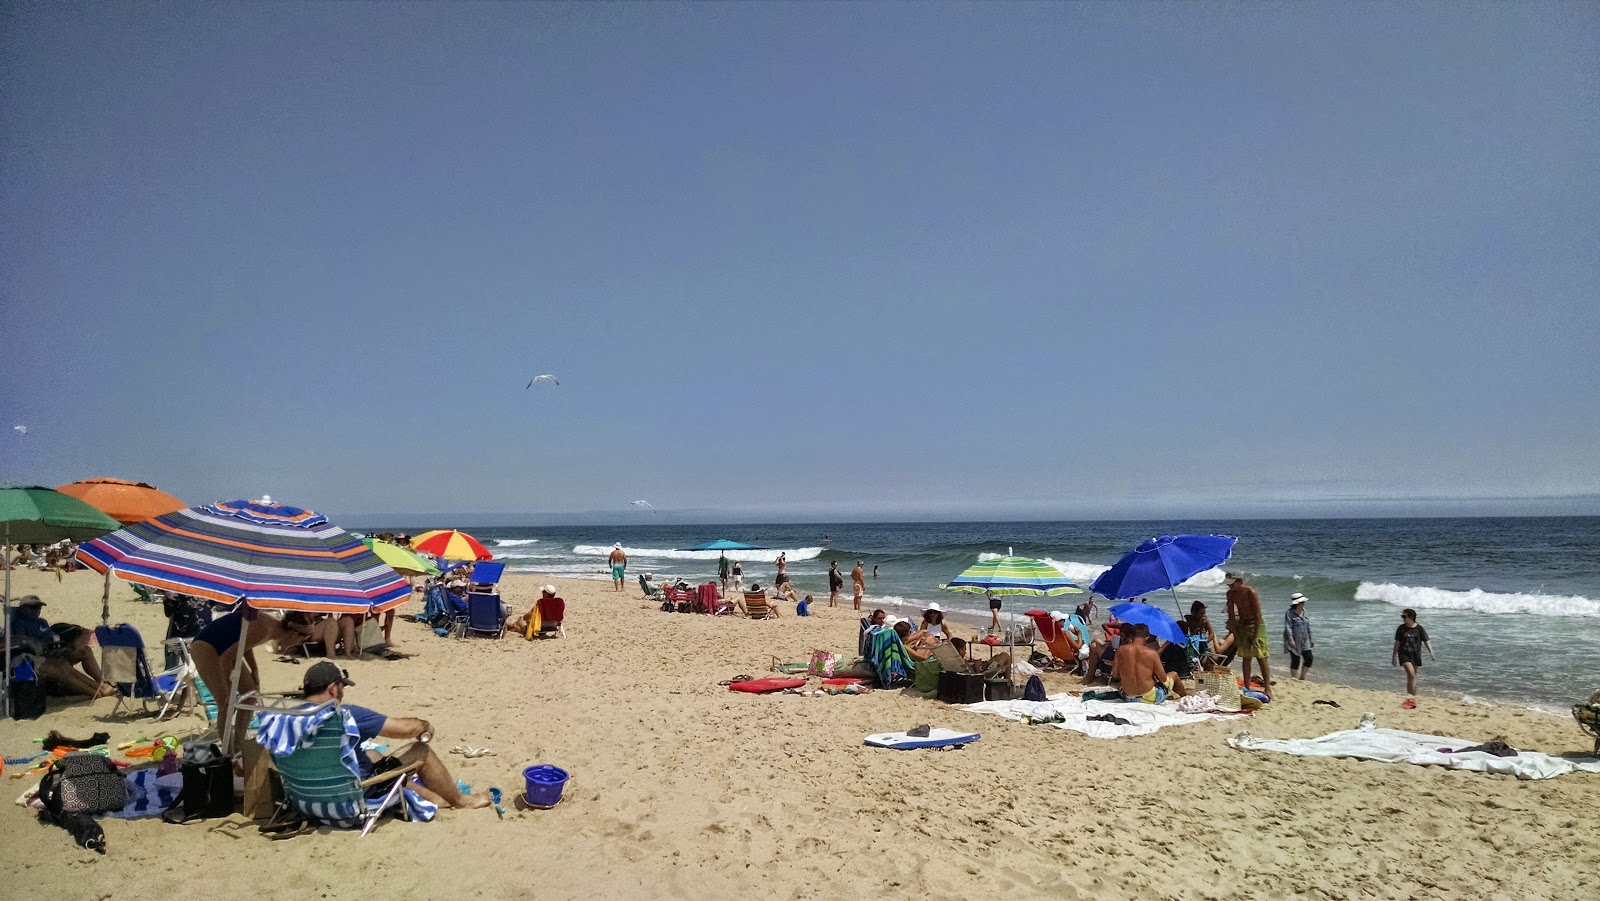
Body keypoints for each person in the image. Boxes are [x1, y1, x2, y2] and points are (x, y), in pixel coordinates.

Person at [297, 662, 489, 810]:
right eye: (342, 688)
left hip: (308, 795)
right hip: (351, 794)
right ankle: (461, 801)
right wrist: (425, 726)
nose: (343, 694)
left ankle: (434, 799)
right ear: (333, 689)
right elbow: (405, 729)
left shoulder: (287, 719)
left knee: (372, 754)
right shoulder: (345, 715)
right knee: (421, 751)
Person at [191, 609, 314, 748]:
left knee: (250, 694)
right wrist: (229, 686)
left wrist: (254, 668)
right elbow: (226, 658)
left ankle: (238, 744)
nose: (298, 645)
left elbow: (244, 643)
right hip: (206, 646)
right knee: (226, 702)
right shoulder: (266, 629)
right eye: (301, 641)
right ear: (294, 634)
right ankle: (229, 750)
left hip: (225, 648)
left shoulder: (271, 628)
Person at [5, 598, 115, 698]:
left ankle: (103, 682)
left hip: (54, 651)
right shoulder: (20, 624)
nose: (37, 610)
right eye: (33, 607)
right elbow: (23, 644)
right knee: (62, 665)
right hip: (39, 658)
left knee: (85, 651)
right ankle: (98, 691)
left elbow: (53, 635)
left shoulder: (42, 621)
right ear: (23, 609)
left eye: (39, 607)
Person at [1224, 571, 1272, 701]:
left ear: (1239, 581)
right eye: (1229, 585)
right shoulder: (1230, 594)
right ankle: (1246, 686)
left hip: (1256, 624)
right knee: (1246, 656)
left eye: (1232, 584)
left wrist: (1256, 636)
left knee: (1261, 656)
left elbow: (1258, 615)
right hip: (1243, 624)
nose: (1230, 587)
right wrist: (1235, 632)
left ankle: (1267, 687)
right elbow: (1232, 616)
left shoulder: (1250, 592)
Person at [1110, 623, 1180, 703]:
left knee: (1121, 684)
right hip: (1149, 698)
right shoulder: (1152, 653)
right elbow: (1163, 678)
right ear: (1147, 637)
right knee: (1174, 674)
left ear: (1131, 636)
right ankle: (1185, 695)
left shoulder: (1121, 650)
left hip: (1129, 698)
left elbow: (1115, 675)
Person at [1392, 608, 1435, 698]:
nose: (1403, 618)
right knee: (1411, 675)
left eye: (1404, 616)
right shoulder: (1401, 628)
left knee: (1411, 677)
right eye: (1402, 616)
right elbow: (1397, 642)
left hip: (1415, 655)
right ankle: (1413, 695)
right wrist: (1394, 656)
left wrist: (1431, 652)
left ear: (1411, 617)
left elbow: (1426, 641)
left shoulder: (1419, 628)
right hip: (1404, 655)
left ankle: (1410, 695)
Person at [1284, 593, 1314, 680]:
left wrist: (1310, 639)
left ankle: (1302, 677)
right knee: (1295, 659)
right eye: (1303, 601)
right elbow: (1288, 626)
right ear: (1298, 603)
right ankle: (1294, 678)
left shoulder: (1305, 611)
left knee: (1309, 658)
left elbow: (1307, 627)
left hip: (1305, 639)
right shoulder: (1289, 613)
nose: (1304, 603)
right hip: (1294, 639)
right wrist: (1291, 639)